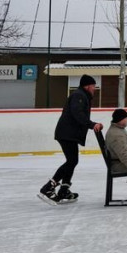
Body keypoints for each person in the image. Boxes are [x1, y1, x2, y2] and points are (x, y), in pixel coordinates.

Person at [39, 74, 103, 204]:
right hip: (67, 133)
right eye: (93, 86)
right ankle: (48, 187)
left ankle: (64, 190)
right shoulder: (79, 95)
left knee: (72, 161)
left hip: (69, 134)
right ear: (88, 86)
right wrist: (92, 124)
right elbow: (77, 113)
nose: (94, 89)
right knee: (72, 161)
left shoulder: (82, 95)